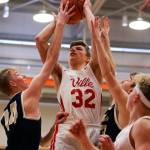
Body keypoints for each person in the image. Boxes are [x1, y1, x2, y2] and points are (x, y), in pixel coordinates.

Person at [35, 0, 115, 149]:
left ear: (88, 58)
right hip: (67, 130)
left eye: (78, 49)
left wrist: (86, 9)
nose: (73, 50)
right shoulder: (61, 73)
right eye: (71, 49)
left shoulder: (94, 71)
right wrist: (57, 21)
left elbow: (95, 34)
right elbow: (40, 41)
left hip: (92, 130)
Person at [0, 3, 74, 150]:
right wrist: (60, 24)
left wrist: (55, 126)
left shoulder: (5, 114)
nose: (23, 75)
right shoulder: (27, 95)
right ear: (13, 84)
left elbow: (41, 142)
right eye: (18, 75)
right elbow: (51, 60)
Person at [69, 17, 150, 150]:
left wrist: (97, 38)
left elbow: (109, 73)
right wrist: (83, 138)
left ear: (134, 95)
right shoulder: (130, 120)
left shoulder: (142, 124)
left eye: (131, 84)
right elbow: (110, 71)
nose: (125, 81)